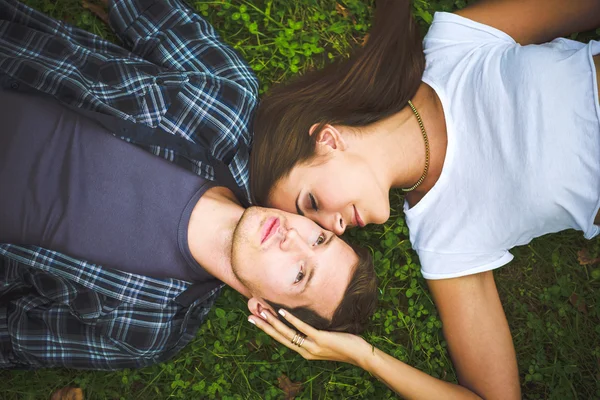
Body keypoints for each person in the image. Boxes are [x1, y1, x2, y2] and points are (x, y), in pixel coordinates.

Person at [248, 0, 600, 398]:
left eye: (312, 203)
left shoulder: (455, 43)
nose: (335, 227)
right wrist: (366, 356)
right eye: (322, 232)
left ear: (328, 139)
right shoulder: (444, 236)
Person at [0, 0, 377, 370]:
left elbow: (11, 336)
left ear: (264, 310)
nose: (293, 239)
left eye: (299, 274)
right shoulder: (227, 107)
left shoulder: (145, 331)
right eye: (319, 240)